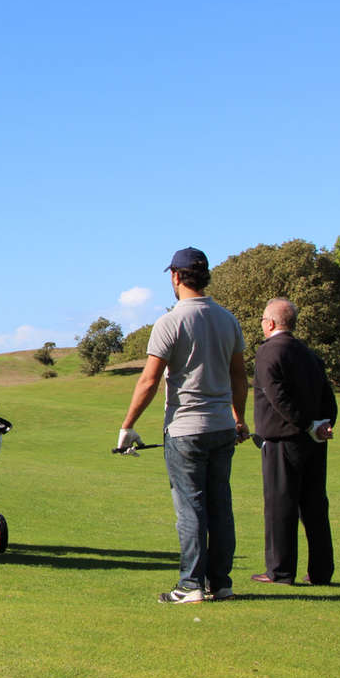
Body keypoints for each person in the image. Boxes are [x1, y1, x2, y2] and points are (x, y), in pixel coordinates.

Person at [117, 247, 249, 604]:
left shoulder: (170, 321)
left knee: (191, 509)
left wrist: (127, 425)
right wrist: (240, 418)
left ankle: (191, 585)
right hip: (222, 426)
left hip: (184, 429)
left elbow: (148, 380)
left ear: (175, 276)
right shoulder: (227, 319)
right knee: (220, 507)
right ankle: (221, 584)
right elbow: (240, 377)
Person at [250, 297, 338, 585]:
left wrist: (304, 424)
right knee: (314, 507)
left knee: (280, 506)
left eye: (264, 319)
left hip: (283, 440)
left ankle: (280, 571)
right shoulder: (310, 355)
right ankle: (321, 571)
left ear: (271, 323)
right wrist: (323, 424)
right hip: (314, 441)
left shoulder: (268, 353)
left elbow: (277, 398)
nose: (262, 323)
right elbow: (328, 396)